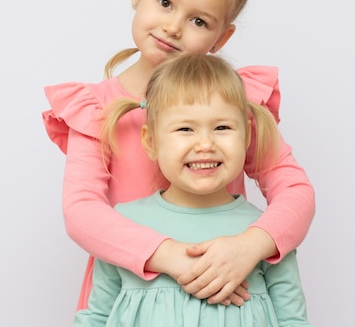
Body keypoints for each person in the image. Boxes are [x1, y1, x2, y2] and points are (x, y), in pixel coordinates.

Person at [42, 0, 315, 310]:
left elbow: (295, 191)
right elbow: (82, 212)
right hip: (131, 300)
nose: (173, 27)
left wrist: (248, 247)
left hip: (226, 299)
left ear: (223, 37)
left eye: (199, 21)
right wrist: (171, 257)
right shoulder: (96, 110)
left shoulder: (234, 103)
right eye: (165, 3)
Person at [72, 53, 314, 327]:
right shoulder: (124, 225)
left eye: (221, 127)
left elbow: (293, 320)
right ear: (150, 141)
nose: (205, 144)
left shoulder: (265, 233)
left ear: (246, 136)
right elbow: (96, 316)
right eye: (186, 129)